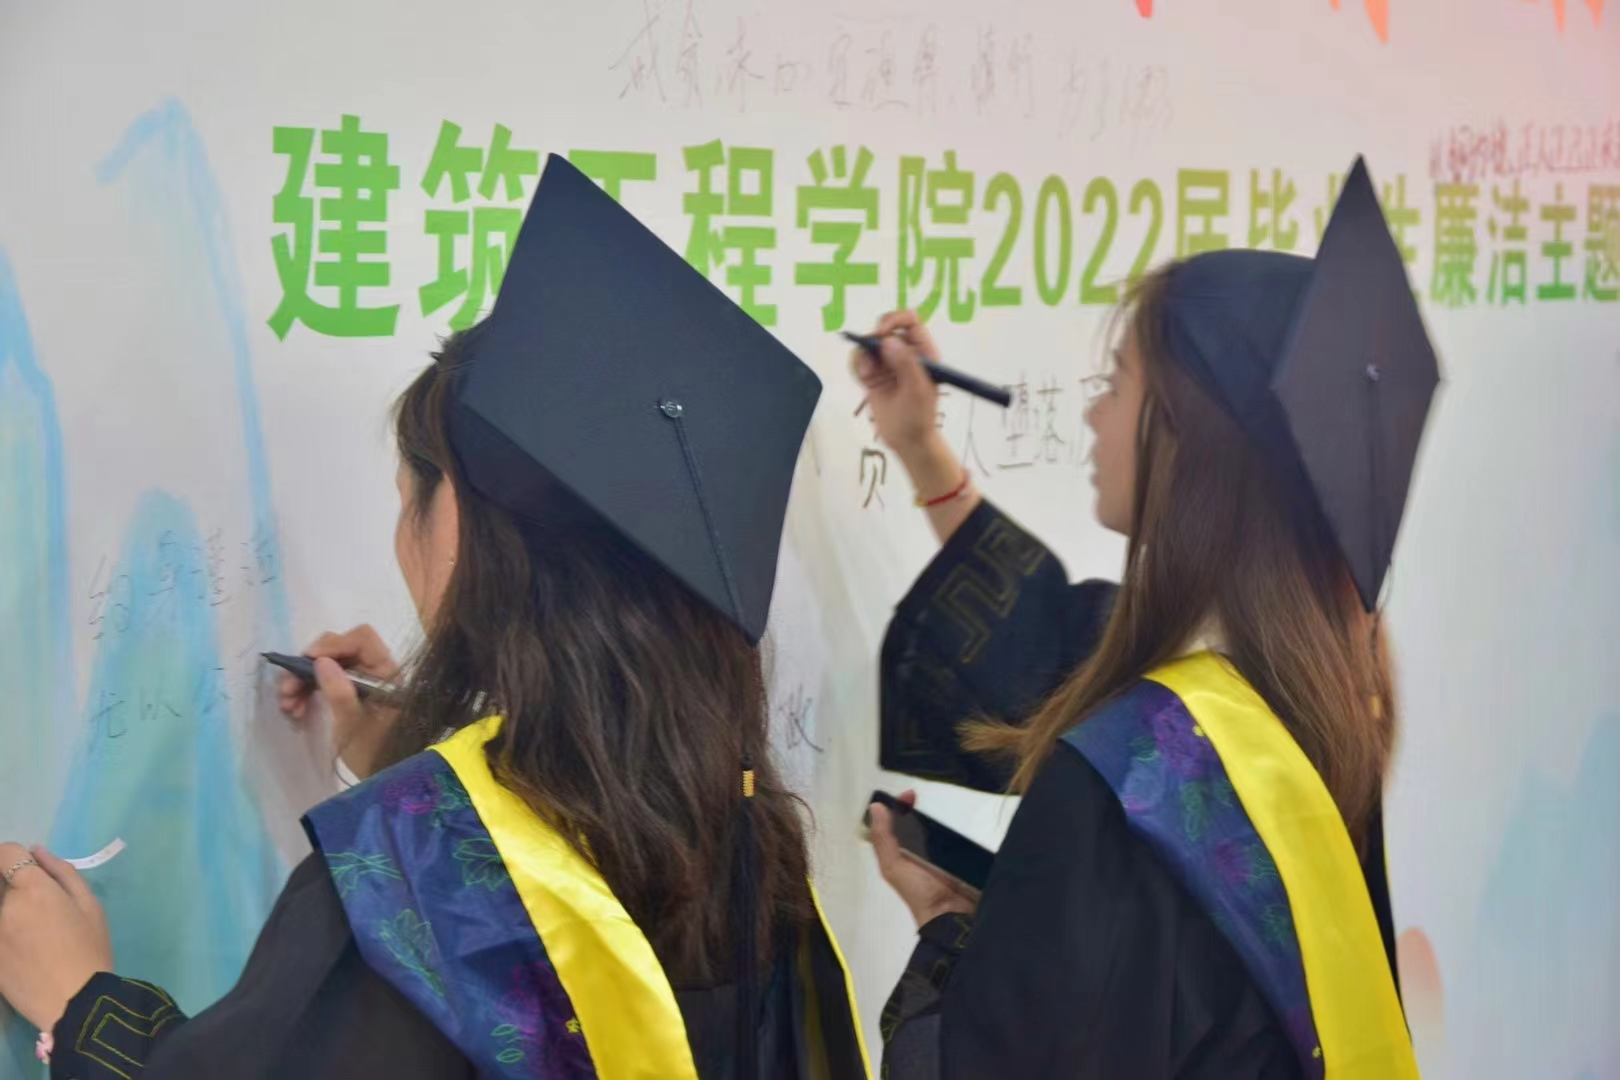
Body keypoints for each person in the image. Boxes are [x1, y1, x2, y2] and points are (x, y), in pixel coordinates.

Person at [0, 155, 869, 1079]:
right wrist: (423, 762)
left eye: (413, 492)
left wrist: (80, 1004)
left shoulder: (405, 894)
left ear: (465, 526)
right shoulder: (747, 838)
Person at [860, 158, 1434, 1079]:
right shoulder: (1323, 688)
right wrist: (924, 450)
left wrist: (946, 932)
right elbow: (1063, 640)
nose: (1093, 413)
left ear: (1187, 434)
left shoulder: (1121, 787)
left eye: (1117, 380)